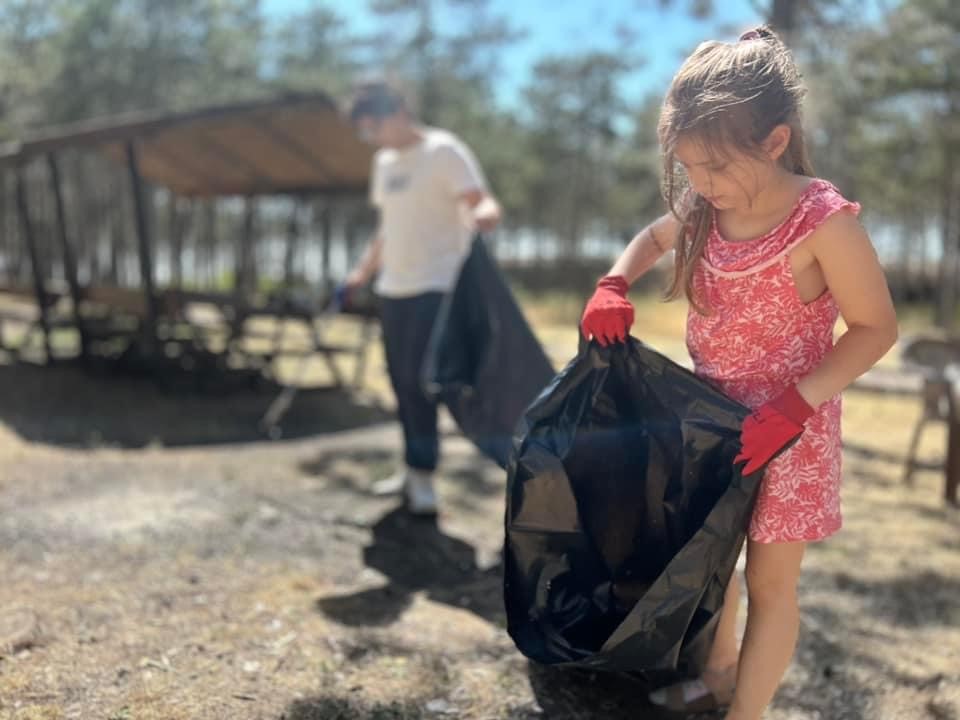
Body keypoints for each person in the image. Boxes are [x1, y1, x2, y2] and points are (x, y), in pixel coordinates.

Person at [580, 27, 898, 719]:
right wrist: (613, 281)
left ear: (775, 142)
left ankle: (745, 712)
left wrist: (793, 408)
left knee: (770, 585)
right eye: (688, 167)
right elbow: (652, 236)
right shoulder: (707, 204)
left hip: (790, 435)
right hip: (711, 427)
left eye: (715, 167)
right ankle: (717, 675)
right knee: (715, 567)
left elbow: (876, 328)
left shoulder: (821, 220)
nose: (700, 185)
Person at [344, 80, 502, 515]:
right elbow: (387, 227)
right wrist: (361, 272)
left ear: (395, 111)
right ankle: (414, 469)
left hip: (438, 287)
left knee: (423, 382)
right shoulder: (385, 163)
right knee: (400, 383)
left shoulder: (443, 150)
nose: (370, 137)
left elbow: (480, 199)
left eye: (371, 127)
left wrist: (484, 214)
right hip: (393, 289)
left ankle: (426, 477)